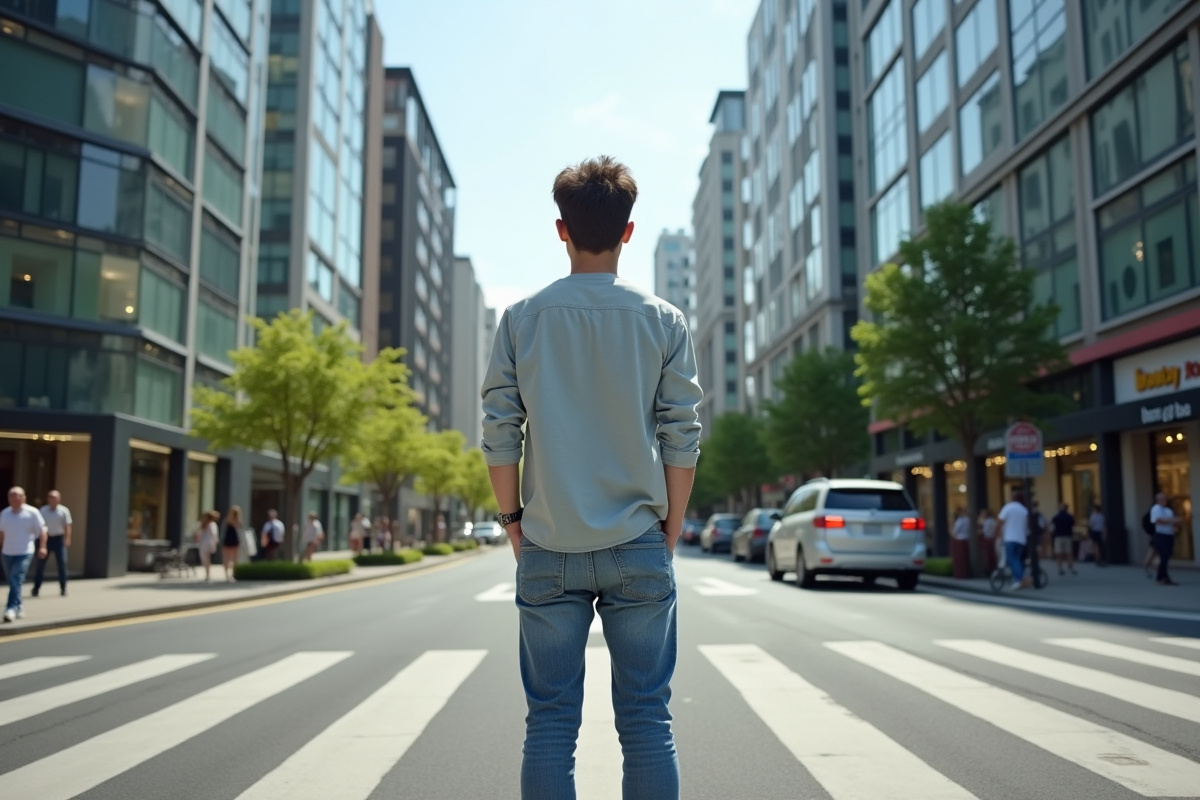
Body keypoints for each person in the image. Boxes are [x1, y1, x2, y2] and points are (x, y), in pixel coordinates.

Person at [482, 156, 702, 799]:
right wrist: (673, 527)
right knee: (646, 721)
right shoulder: (664, 320)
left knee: (549, 723)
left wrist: (513, 526)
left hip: (548, 543)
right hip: (638, 539)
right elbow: (681, 434)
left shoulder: (522, 318)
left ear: (561, 230)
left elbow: (500, 432)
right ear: (628, 232)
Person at [0, 487, 48, 622]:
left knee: (16, 579)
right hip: (7, 552)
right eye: (11, 496)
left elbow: (42, 531)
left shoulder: (32, 512)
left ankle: (10, 609)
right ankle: (19, 605)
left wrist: (43, 547)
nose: (15, 498)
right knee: (13, 582)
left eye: (17, 495)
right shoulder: (5, 513)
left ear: (23, 497)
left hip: (24, 551)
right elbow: (2, 533)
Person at [34, 490, 72, 597]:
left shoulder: (64, 511)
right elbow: (40, 526)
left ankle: (63, 588)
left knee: (62, 564)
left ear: (59, 499)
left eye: (55, 497)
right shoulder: (43, 510)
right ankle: (36, 588)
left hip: (59, 539)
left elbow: (67, 525)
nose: (53, 499)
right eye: (50, 497)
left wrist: (68, 538)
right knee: (40, 564)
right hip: (46, 539)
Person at [1150, 492, 1185, 586]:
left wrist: (1177, 521)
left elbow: (1174, 520)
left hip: (1169, 535)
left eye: (1166, 499)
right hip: (1161, 535)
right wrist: (1172, 520)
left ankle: (1162, 576)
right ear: (1158, 500)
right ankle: (1162, 577)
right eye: (1163, 499)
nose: (1165, 501)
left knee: (1167, 557)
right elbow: (1158, 521)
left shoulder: (1168, 510)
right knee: (1164, 557)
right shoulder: (1156, 509)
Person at [998, 490, 1030, 590]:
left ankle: (1020, 579)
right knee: (1017, 559)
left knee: (1012, 559)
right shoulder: (1024, 510)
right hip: (1021, 539)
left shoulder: (1007, 508)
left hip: (1010, 538)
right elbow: (1027, 524)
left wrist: (998, 534)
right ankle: (1017, 579)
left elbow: (999, 522)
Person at [1051, 502, 1077, 577]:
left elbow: (1052, 527)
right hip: (1068, 536)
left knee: (1059, 554)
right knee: (1069, 553)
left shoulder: (1056, 517)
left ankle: (1060, 569)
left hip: (1058, 536)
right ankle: (1071, 568)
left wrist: (1052, 535)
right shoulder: (1070, 517)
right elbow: (1073, 526)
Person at [1027, 500, 1047, 587]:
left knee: (1030, 555)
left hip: (1028, 537)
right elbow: (1043, 526)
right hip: (1036, 537)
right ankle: (1035, 571)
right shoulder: (1039, 515)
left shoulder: (1027, 514)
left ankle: (1033, 571)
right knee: (1035, 554)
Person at [193, 511, 218, 582]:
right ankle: (207, 574)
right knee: (204, 559)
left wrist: (215, 543)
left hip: (208, 544)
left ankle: (208, 575)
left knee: (207, 559)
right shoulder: (201, 524)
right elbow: (198, 534)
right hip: (202, 544)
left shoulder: (212, 524)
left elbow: (214, 535)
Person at [220, 506, 243, 582]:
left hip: (229, 539)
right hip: (232, 539)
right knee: (233, 558)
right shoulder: (233, 520)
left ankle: (229, 575)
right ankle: (232, 574)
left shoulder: (227, 520)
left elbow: (223, 530)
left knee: (228, 558)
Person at [951, 507, 971, 579]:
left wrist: (953, 536)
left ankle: (960, 574)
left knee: (960, 559)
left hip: (959, 540)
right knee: (965, 558)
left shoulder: (960, 521)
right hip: (967, 539)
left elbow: (955, 531)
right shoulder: (968, 520)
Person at [1088, 503, 1108, 567]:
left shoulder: (1094, 516)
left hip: (1096, 531)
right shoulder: (1100, 516)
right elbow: (1104, 526)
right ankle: (1098, 559)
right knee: (1098, 546)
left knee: (1097, 546)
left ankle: (1098, 559)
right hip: (1097, 531)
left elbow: (1091, 525)